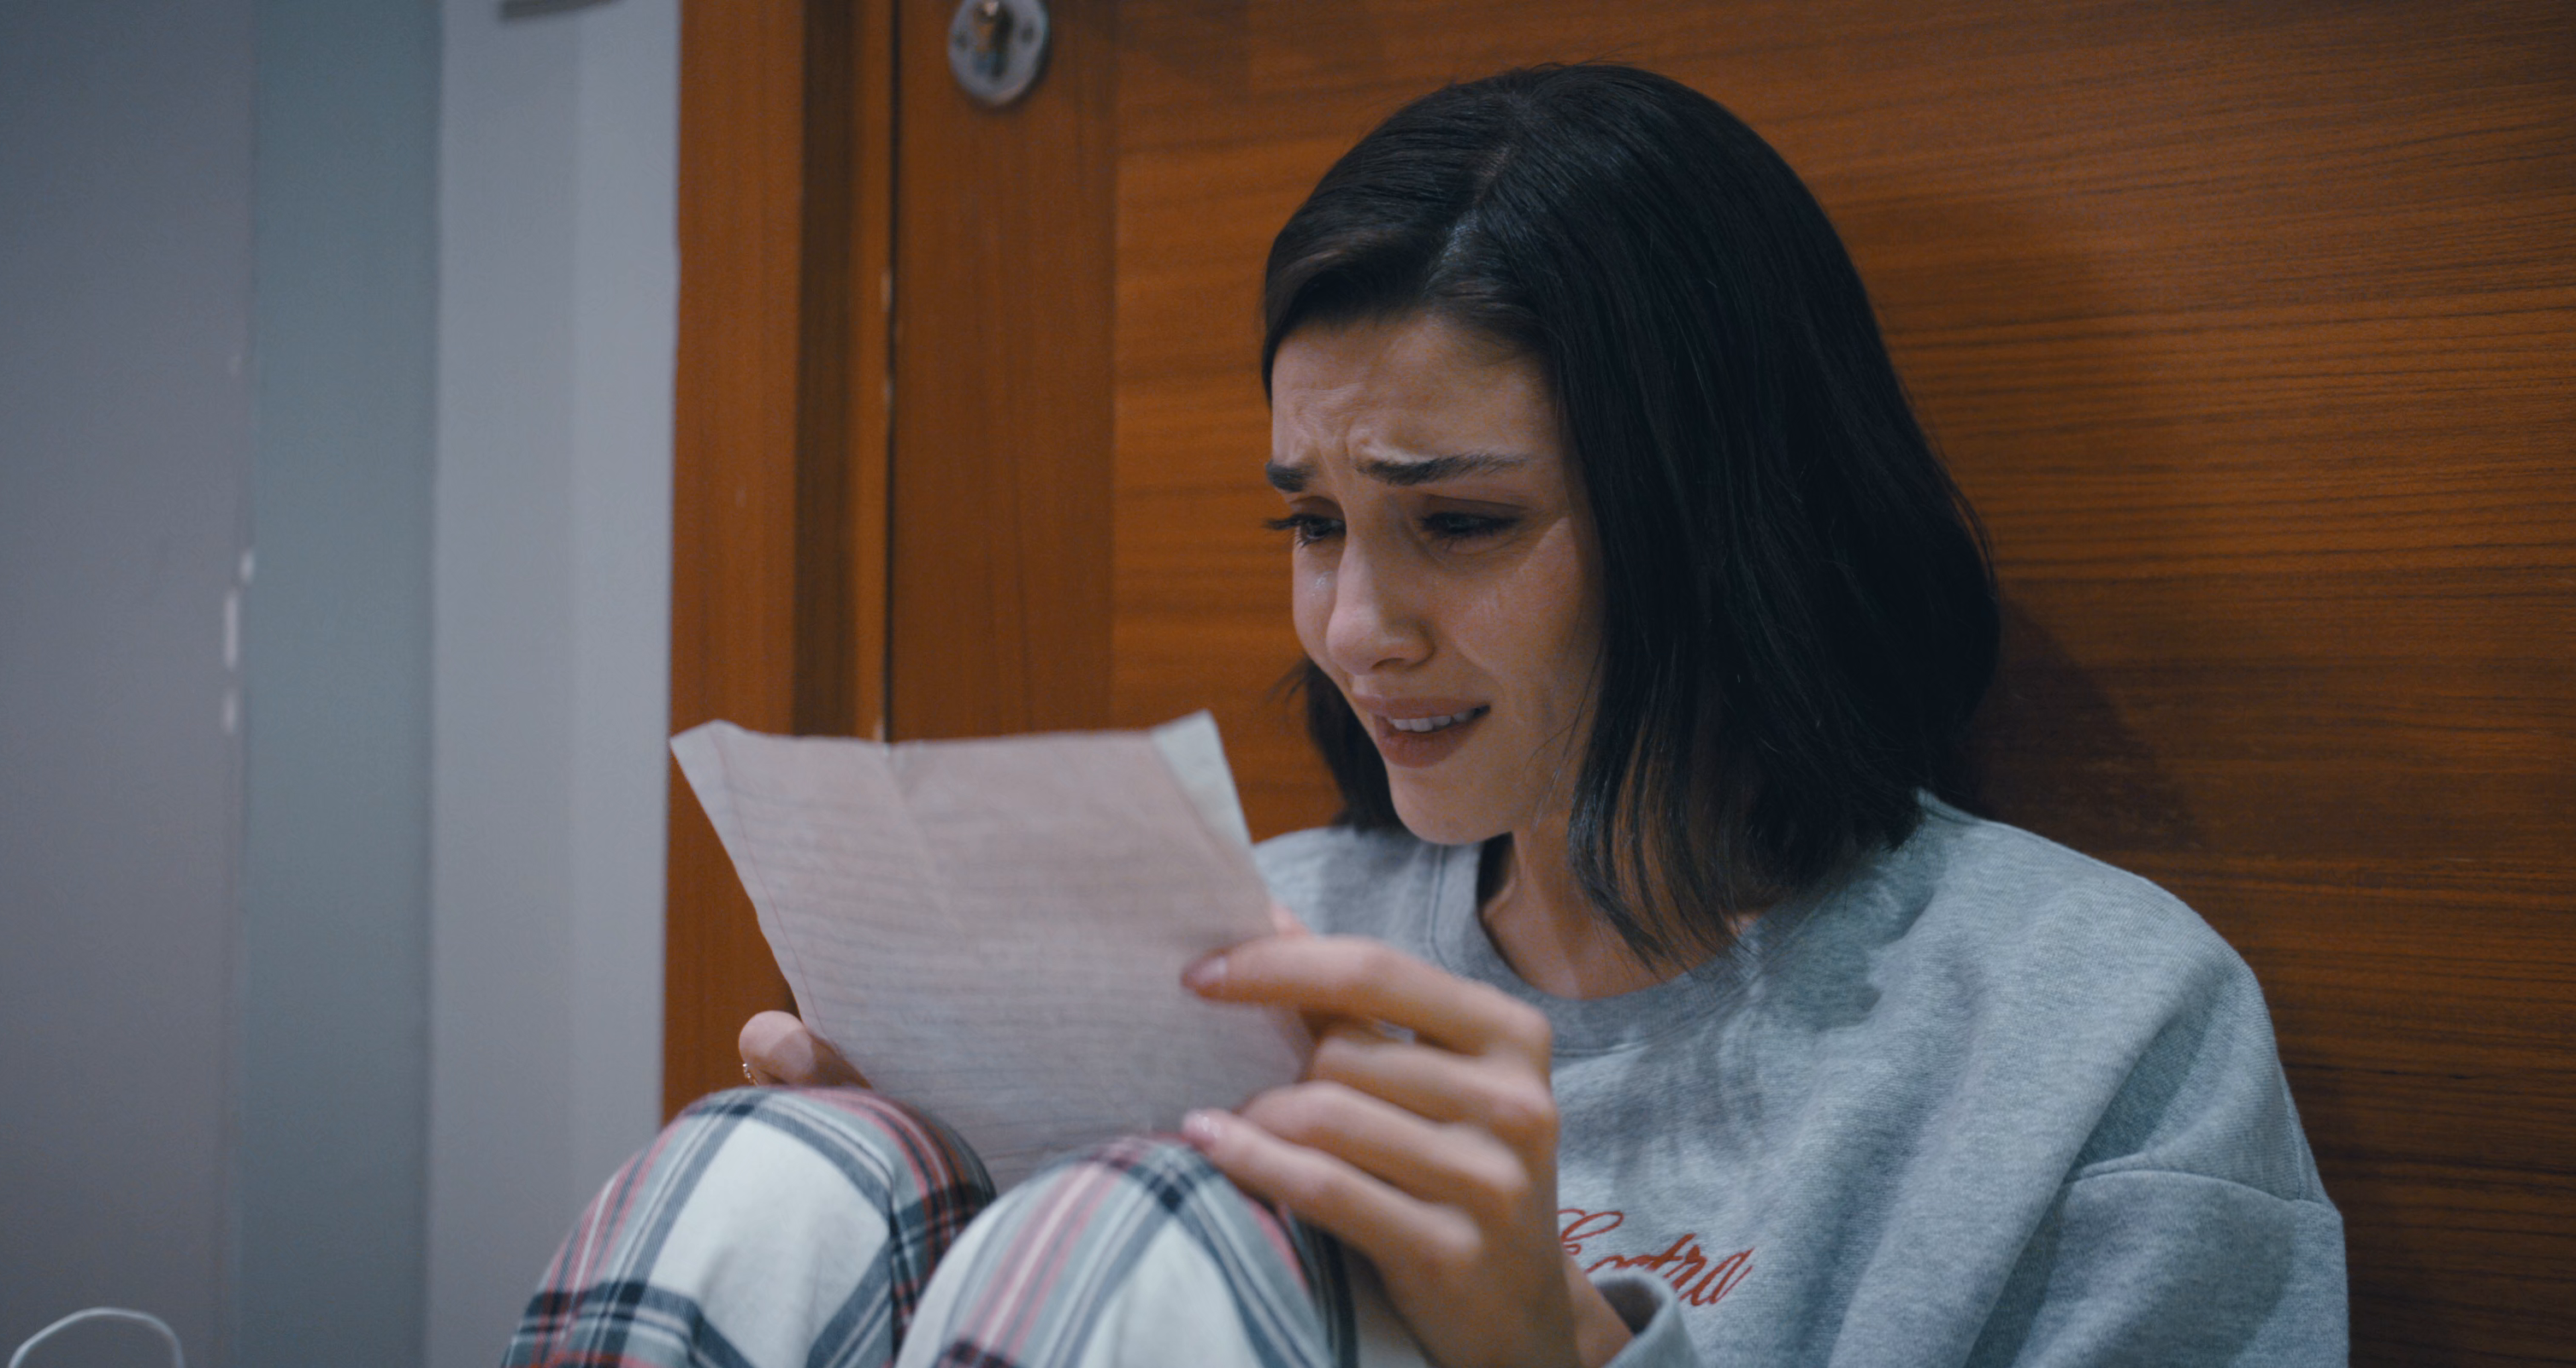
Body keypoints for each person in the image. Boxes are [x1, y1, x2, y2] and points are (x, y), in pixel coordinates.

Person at [509, 64, 2345, 1368]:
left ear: (1725, 521)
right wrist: (930, 1195)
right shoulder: (1256, 940)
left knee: (1162, 1230)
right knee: (786, 1170)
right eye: (1313, 525)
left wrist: (1557, 1347)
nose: (1350, 632)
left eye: (1457, 524)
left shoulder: (2092, 1031)